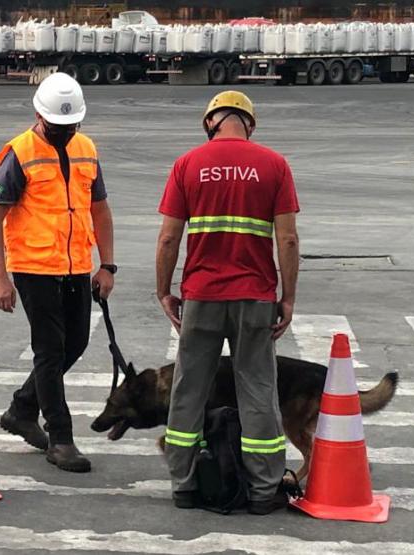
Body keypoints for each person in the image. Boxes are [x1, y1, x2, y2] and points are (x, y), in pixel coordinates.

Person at [155, 91, 300, 515]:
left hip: (201, 296)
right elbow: (287, 239)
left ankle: (184, 485)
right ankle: (262, 491)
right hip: (255, 297)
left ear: (209, 123)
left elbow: (168, 237)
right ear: (249, 124)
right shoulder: (274, 165)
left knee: (188, 391)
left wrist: (165, 290)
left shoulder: (187, 165)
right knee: (257, 390)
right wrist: (287, 297)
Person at [0, 73, 116, 473]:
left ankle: (22, 409)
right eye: (58, 127)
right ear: (39, 116)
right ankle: (60, 437)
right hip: (33, 267)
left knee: (74, 343)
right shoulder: (19, 153)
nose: (64, 132)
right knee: (50, 348)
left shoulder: (86, 148)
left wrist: (107, 264)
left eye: (71, 125)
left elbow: (100, 209)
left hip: (75, 264)